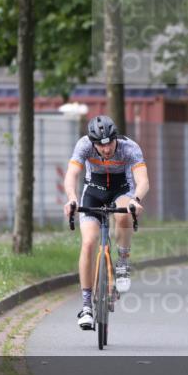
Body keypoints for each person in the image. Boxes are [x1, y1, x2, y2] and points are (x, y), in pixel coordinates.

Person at [62, 115, 149, 330]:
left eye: (110, 143)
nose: (106, 149)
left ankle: (123, 263)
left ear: (115, 138)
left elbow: (143, 180)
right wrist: (72, 198)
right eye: (101, 146)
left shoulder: (130, 148)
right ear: (93, 143)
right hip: (94, 191)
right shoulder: (83, 145)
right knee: (89, 242)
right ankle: (86, 307)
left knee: (123, 214)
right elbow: (72, 174)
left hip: (122, 189)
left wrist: (136, 200)